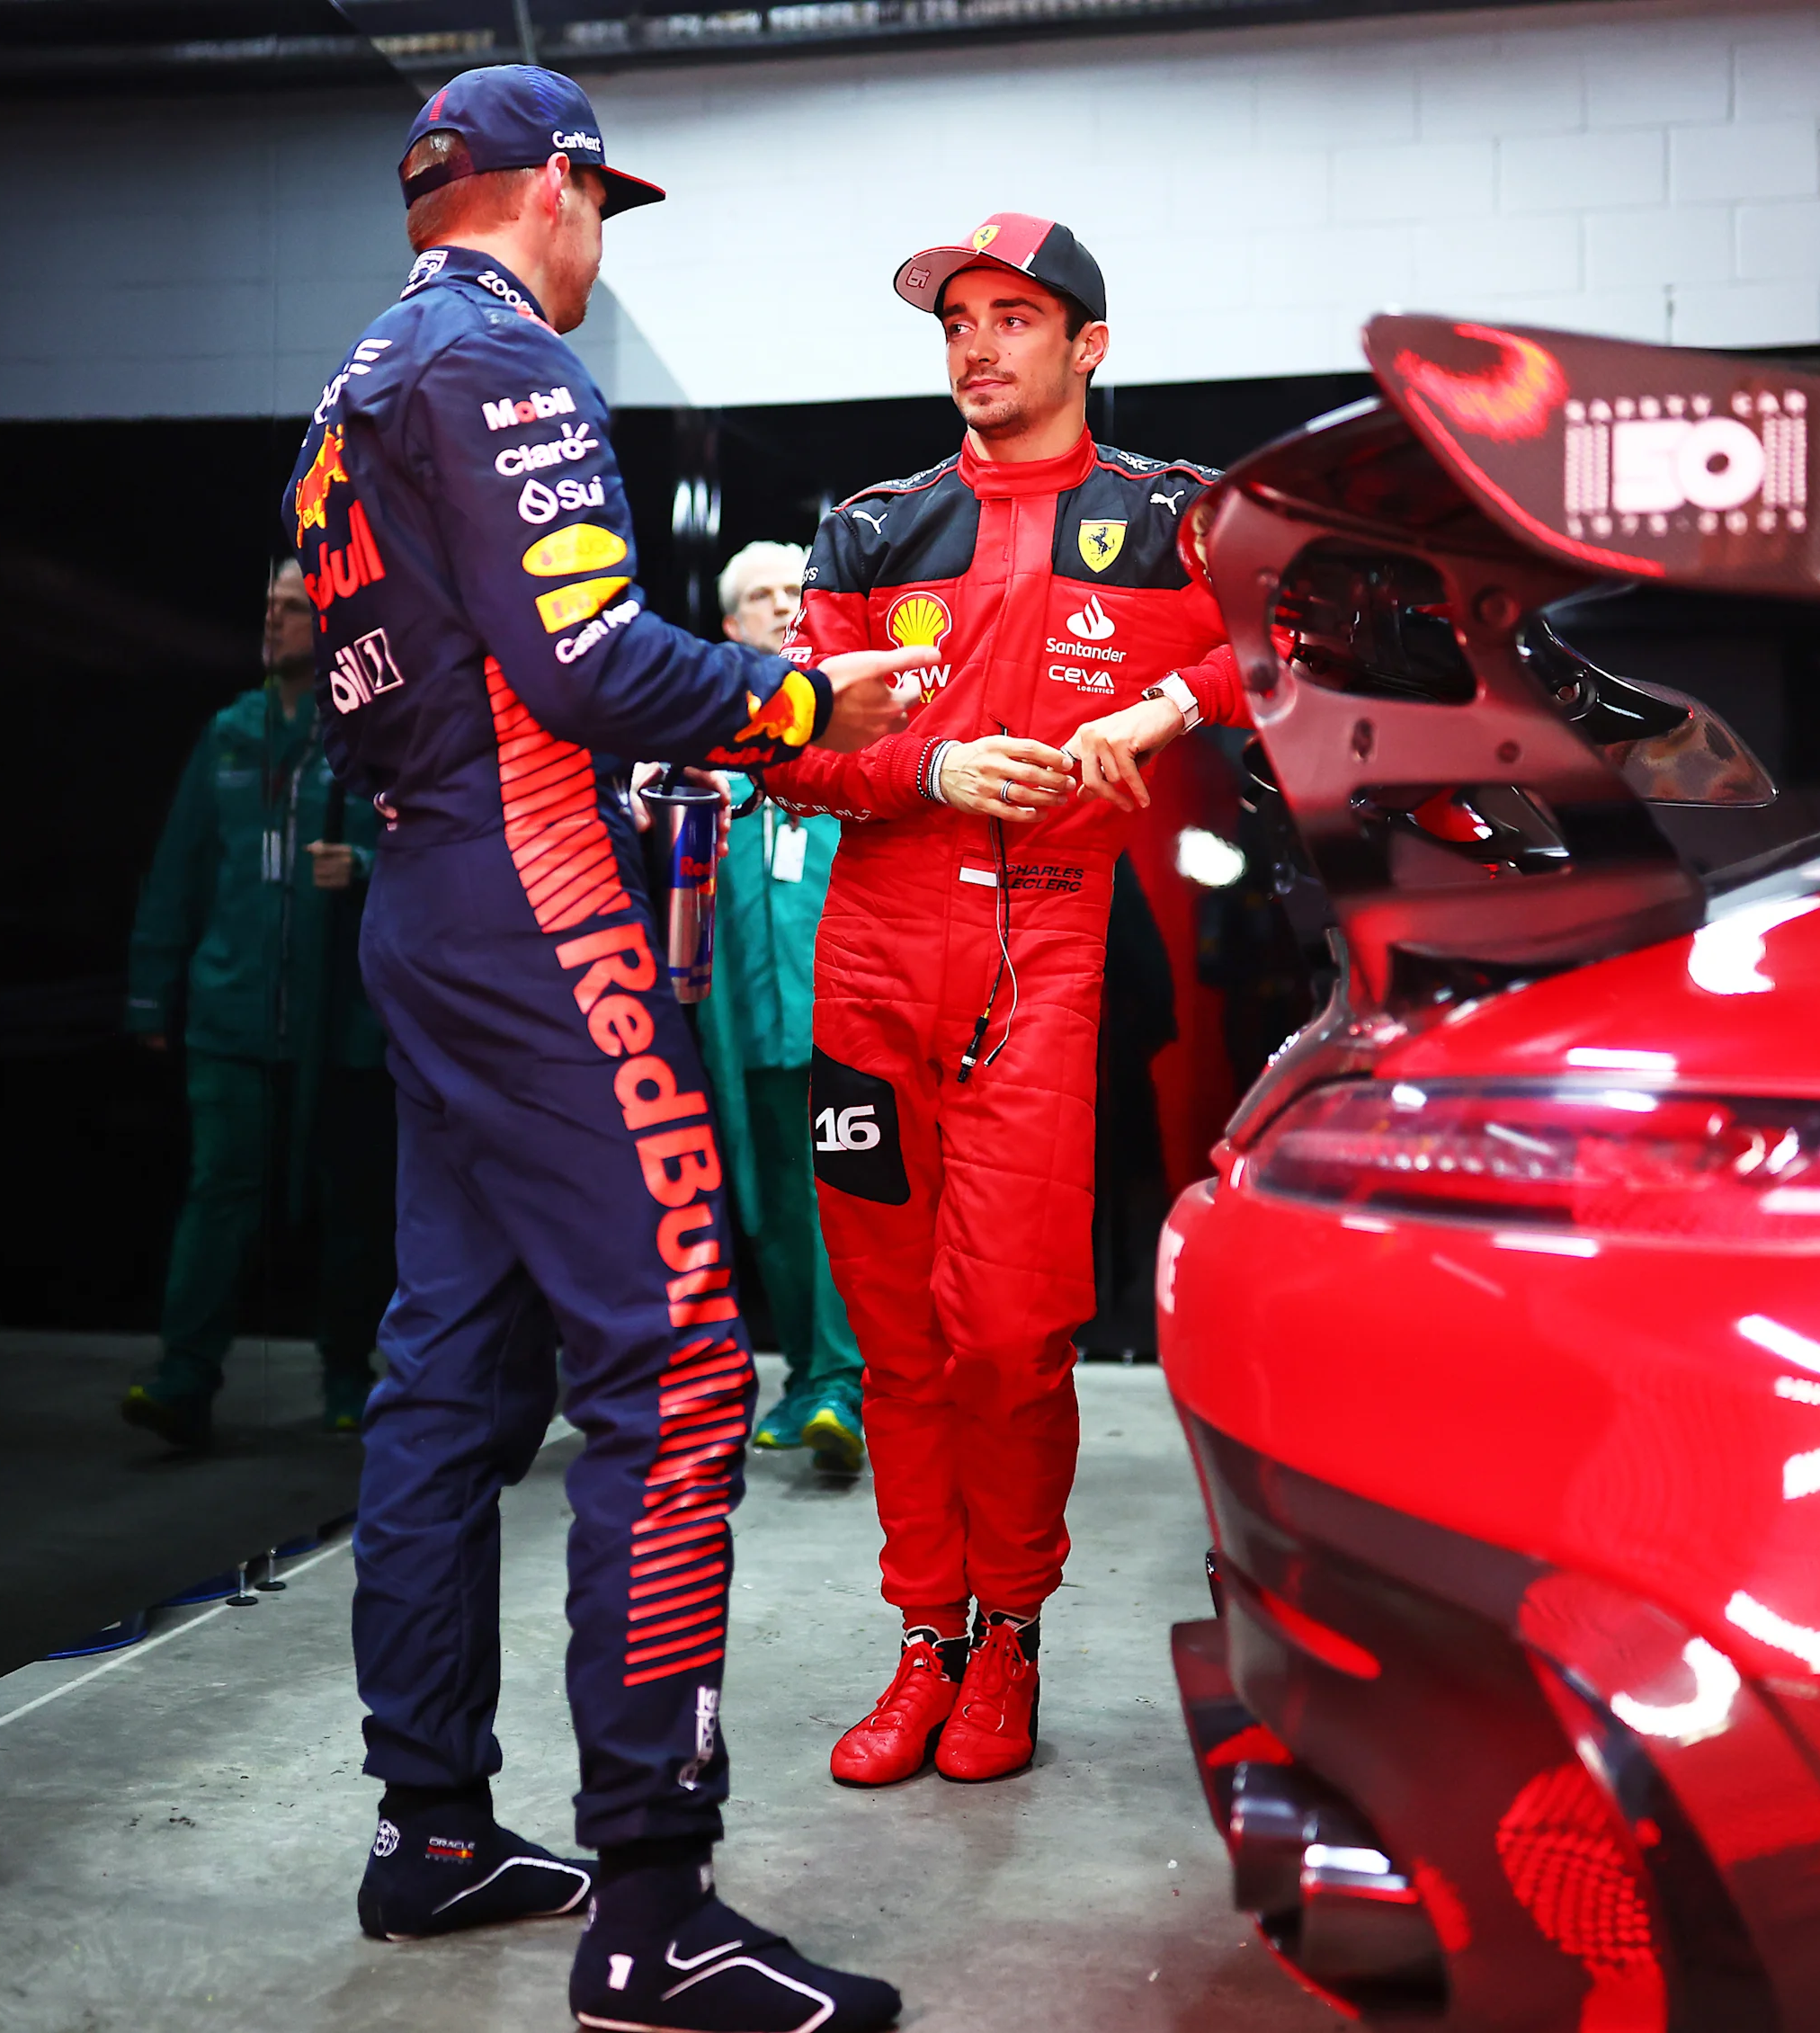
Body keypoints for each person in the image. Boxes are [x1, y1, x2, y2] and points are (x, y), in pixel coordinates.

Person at [293, 67, 931, 2033]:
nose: (598, 246)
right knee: (677, 1369)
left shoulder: (355, 384)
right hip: (538, 889)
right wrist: (808, 687)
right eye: (601, 206)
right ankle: (653, 1902)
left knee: (445, 1369)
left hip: (423, 895)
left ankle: (431, 1829)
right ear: (553, 187)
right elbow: (582, 666)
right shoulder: (506, 372)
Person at [760, 214, 1251, 1788]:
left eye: (1012, 319)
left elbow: (1304, 634)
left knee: (1008, 1332)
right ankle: (923, 1637)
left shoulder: (1168, 516)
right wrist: (928, 765)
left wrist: (1171, 704)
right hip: (873, 948)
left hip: (1048, 945)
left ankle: (1011, 1644)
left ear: (1085, 346)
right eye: (956, 322)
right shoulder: (871, 528)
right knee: (892, 1330)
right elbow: (792, 747)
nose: (976, 347)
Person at [120, 560, 392, 1445]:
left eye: (292, 607)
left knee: (351, 1205)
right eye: (269, 606)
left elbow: (434, 851)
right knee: (218, 1192)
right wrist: (149, 991)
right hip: (233, 1011)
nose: (273, 619)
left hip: (342, 1019)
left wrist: (364, 868)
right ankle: (183, 1378)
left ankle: (348, 1371)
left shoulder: (371, 732)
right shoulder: (230, 732)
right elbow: (179, 870)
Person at [694, 541, 864, 1472]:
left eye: (790, 591)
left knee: (836, 1202)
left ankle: (844, 1382)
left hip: (836, 1007)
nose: (776, 607)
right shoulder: (709, 738)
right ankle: (806, 1378)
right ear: (730, 625)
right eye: (756, 597)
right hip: (739, 1019)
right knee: (770, 1208)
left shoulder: (853, 716)